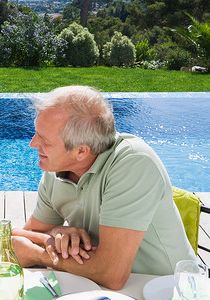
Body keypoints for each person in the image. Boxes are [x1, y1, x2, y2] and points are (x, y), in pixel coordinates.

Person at [12, 85, 196, 290]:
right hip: (96, 289)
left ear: (81, 151)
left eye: (44, 140)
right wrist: (55, 233)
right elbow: (20, 239)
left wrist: (39, 254)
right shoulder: (56, 169)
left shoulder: (133, 163)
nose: (32, 143)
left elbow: (112, 274)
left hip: (166, 290)